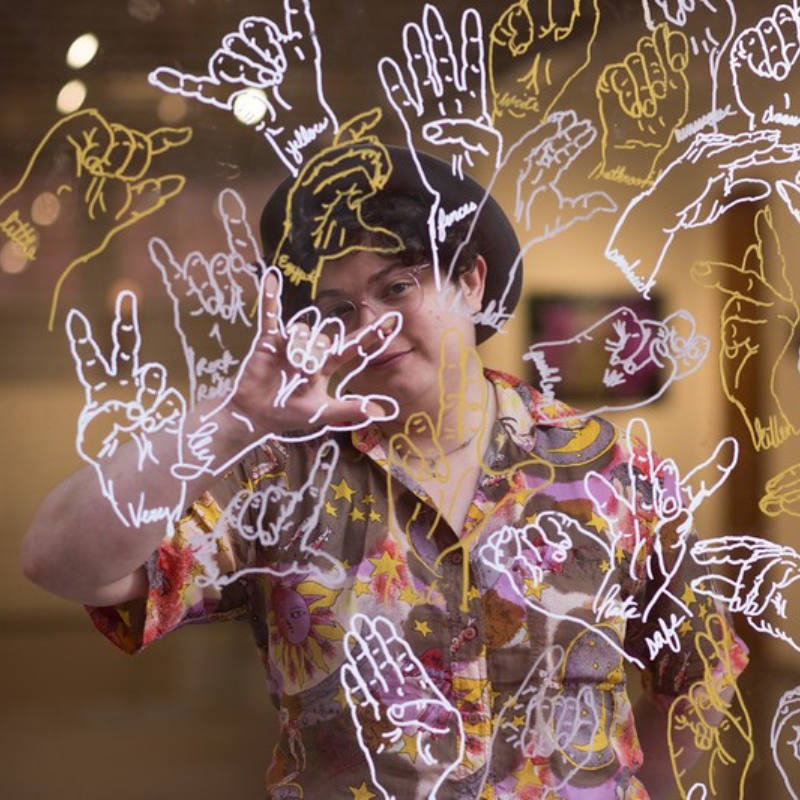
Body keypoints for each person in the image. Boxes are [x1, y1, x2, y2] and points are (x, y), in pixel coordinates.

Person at [22, 139, 748, 799]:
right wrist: (229, 421)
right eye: (339, 310)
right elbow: (59, 560)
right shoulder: (281, 480)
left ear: (470, 282)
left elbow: (700, 673)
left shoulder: (612, 469)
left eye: (398, 287)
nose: (371, 326)